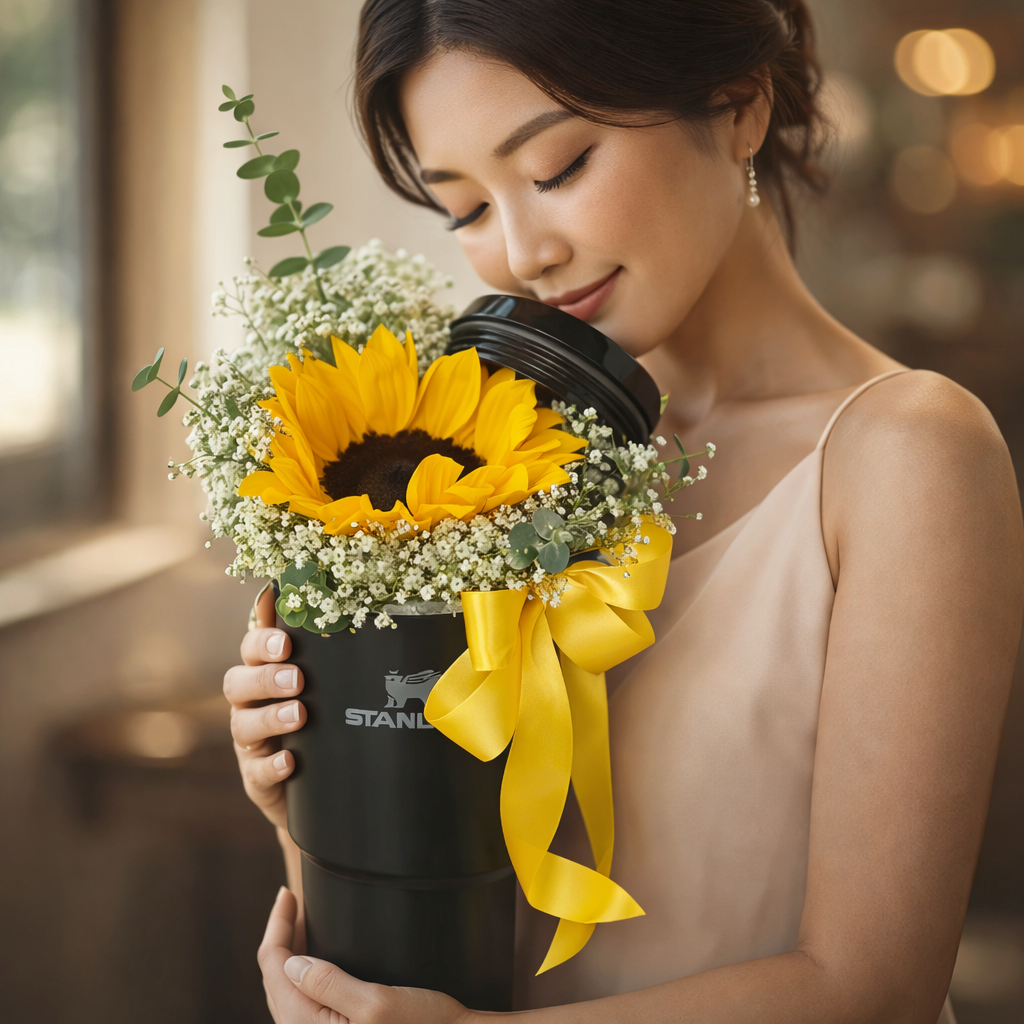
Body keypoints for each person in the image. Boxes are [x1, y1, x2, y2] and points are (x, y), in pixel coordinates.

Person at [221, 1, 1024, 1021]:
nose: (520, 253)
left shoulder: (907, 453)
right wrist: (316, 788)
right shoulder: (491, 457)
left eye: (557, 169)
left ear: (736, 104)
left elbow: (870, 987)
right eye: (464, 208)